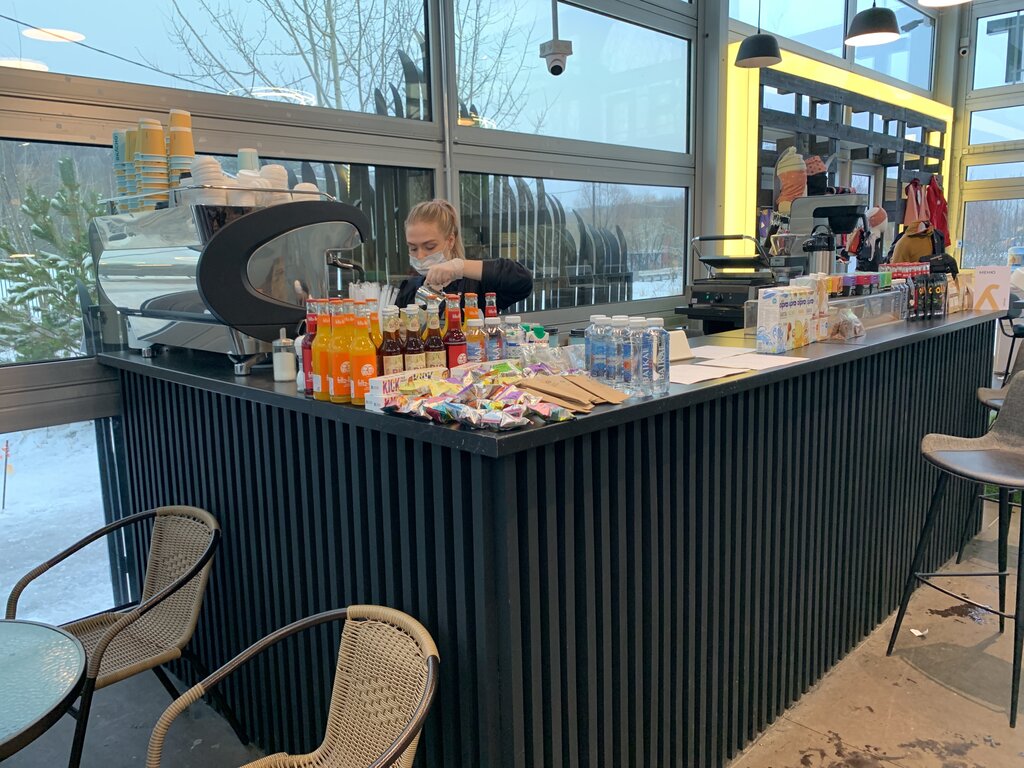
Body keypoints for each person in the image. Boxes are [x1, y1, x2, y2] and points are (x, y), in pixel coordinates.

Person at [396, 199, 533, 311]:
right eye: (413, 248)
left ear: (450, 241)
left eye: (430, 247)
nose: (420, 256)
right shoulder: (409, 290)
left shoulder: (475, 285)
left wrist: (459, 267)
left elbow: (522, 280)